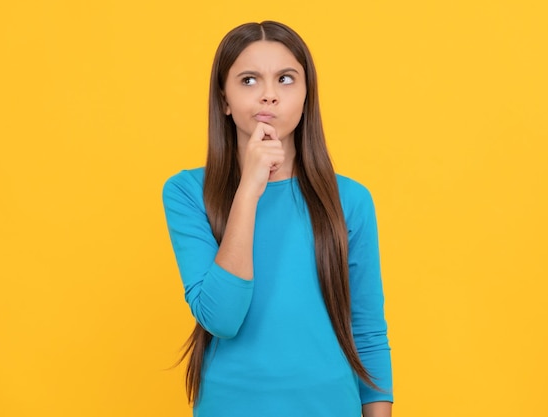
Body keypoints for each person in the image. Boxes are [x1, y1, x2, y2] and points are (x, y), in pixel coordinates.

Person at [162, 21, 393, 417]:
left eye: (286, 79)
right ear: (224, 100)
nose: (269, 95)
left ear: (306, 95)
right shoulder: (186, 193)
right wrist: (249, 189)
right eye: (249, 80)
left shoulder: (350, 200)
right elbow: (221, 317)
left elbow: (367, 332)